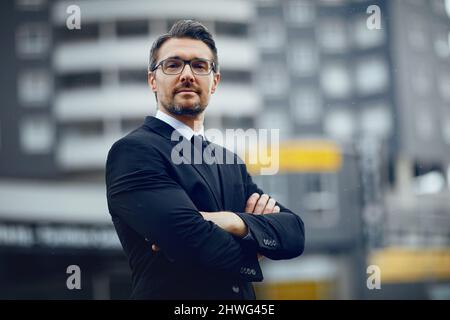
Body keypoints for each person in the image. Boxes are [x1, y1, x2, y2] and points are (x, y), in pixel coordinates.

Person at [105, 19, 305, 300]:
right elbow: (192, 242)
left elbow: (294, 232)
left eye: (199, 66)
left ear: (215, 82)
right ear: (152, 79)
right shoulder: (133, 152)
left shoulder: (230, 162)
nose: (187, 74)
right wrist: (255, 240)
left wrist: (229, 221)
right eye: (173, 65)